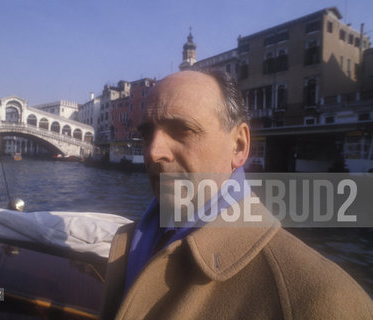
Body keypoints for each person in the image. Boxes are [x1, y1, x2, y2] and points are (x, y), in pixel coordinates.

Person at [100, 71, 373, 319]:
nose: (152, 151)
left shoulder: (324, 299)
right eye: (148, 134)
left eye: (183, 130)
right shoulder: (127, 241)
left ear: (239, 146)